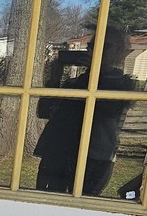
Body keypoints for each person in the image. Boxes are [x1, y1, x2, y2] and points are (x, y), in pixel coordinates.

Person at [33, 25, 134, 196]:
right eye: (92, 46)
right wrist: (55, 76)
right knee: (44, 201)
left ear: (120, 52)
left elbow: (108, 110)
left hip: (93, 156)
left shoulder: (122, 85)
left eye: (104, 46)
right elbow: (44, 111)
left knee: (81, 205)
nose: (95, 50)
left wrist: (99, 71)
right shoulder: (77, 83)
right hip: (58, 151)